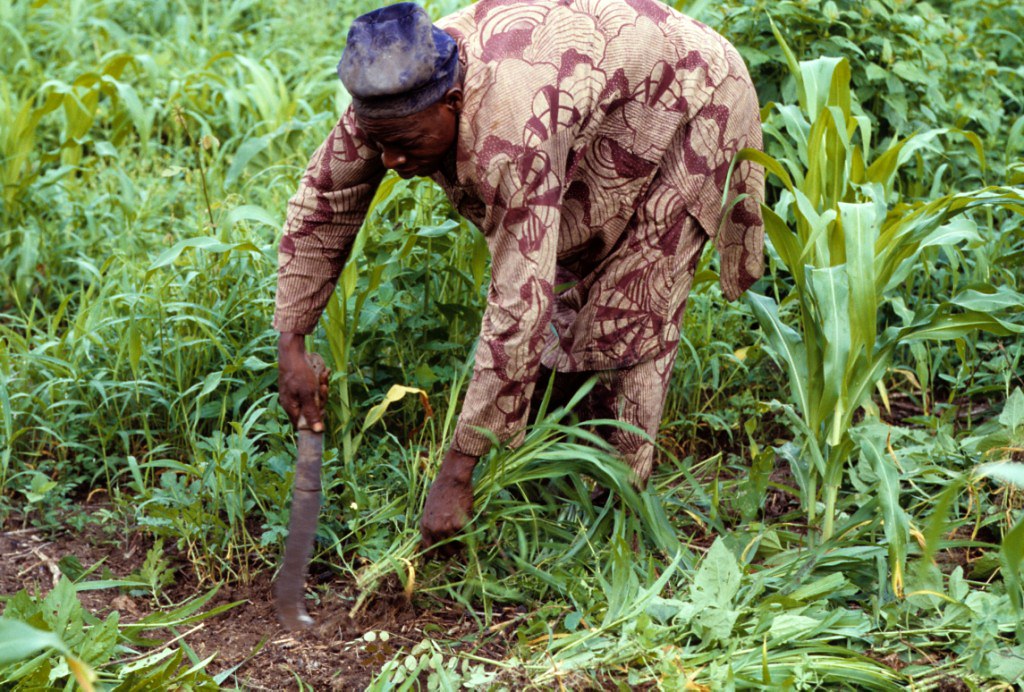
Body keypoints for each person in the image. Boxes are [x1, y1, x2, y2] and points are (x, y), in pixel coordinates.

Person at [274, 0, 765, 551]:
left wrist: (455, 474)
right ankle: (556, 474)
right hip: (597, 86)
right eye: (379, 143)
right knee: (568, 283)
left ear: (453, 101)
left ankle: (614, 525)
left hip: (690, 95)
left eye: (405, 145)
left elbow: (516, 304)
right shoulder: (389, 98)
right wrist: (291, 341)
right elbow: (323, 201)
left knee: (632, 302)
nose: (390, 161)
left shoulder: (509, 133)